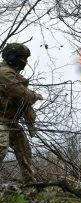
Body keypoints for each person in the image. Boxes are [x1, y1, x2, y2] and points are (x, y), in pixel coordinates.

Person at [0, 43, 43, 183]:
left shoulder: (14, 74)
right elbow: (20, 93)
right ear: (12, 57)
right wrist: (34, 95)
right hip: (1, 121)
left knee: (24, 151)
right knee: (1, 148)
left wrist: (31, 121)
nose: (25, 62)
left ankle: (31, 185)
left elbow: (22, 101)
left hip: (10, 122)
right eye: (22, 58)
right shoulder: (4, 72)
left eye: (26, 58)